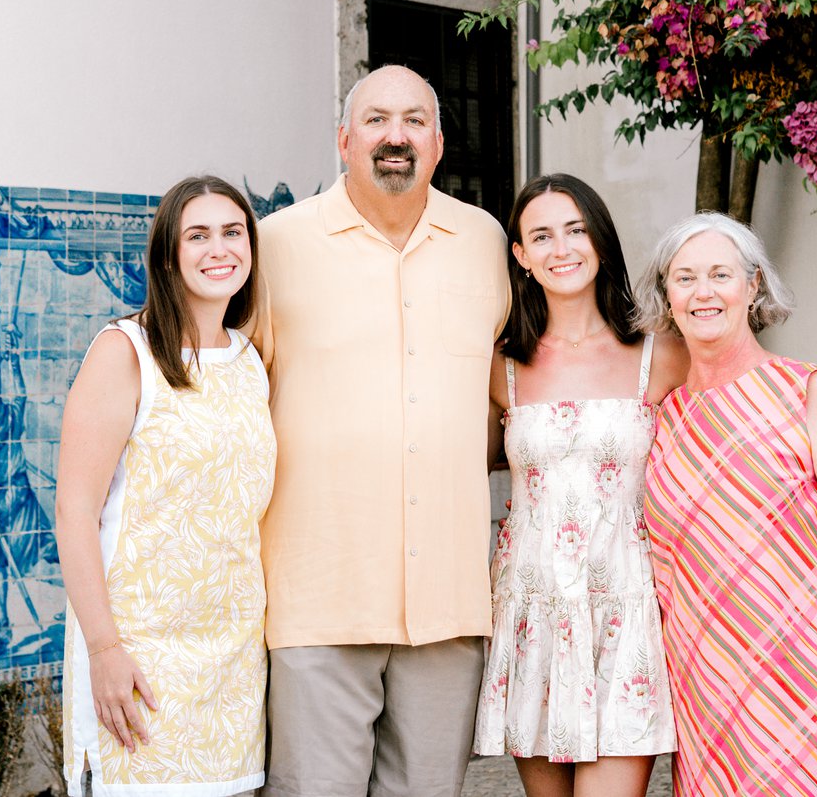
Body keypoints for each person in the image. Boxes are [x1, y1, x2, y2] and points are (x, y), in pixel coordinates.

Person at [255, 65, 510, 797]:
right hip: (319, 600)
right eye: (375, 120)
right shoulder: (276, 245)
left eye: (413, 121)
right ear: (343, 140)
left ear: (438, 144)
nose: (395, 136)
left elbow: (511, 384)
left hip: (448, 605)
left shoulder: (484, 240)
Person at [639, 213, 817, 797]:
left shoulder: (809, 392)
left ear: (753, 284)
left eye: (720, 274)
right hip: (706, 691)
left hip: (815, 677)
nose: (703, 292)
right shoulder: (663, 418)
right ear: (667, 295)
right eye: (685, 278)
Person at [57, 177, 277, 797]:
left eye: (233, 232)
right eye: (197, 235)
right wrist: (103, 649)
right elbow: (74, 512)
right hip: (138, 660)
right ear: (168, 256)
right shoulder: (124, 352)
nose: (219, 249)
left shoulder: (249, 361)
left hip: (232, 664)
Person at [475, 174, 687, 797]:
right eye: (541, 236)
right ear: (521, 254)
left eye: (575, 229)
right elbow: (459, 470)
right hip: (533, 610)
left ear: (600, 240)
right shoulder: (499, 366)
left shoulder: (662, 355)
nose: (561, 248)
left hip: (626, 607)